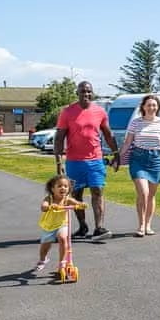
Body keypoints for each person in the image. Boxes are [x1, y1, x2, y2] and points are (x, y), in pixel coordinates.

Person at [54, 81, 120, 241]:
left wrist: (116, 153)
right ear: (77, 93)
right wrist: (58, 162)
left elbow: (108, 134)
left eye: (89, 91)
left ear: (93, 93)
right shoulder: (67, 112)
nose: (86, 94)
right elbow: (59, 137)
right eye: (83, 91)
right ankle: (82, 226)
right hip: (74, 161)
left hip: (95, 160)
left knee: (97, 191)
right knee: (76, 194)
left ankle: (99, 228)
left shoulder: (100, 112)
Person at [116, 94, 160, 237]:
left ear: (158, 107)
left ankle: (148, 225)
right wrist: (118, 157)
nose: (151, 107)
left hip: (155, 160)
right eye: (149, 105)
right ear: (143, 107)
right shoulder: (136, 122)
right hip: (138, 159)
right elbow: (128, 142)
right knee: (143, 193)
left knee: (151, 195)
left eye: (154, 105)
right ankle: (140, 225)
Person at [35, 174, 87, 272]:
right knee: (45, 246)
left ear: (68, 189)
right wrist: (50, 206)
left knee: (63, 239)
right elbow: (43, 206)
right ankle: (43, 260)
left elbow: (77, 203)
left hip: (62, 224)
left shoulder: (67, 199)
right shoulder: (49, 199)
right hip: (49, 226)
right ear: (52, 189)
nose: (63, 188)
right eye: (59, 186)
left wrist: (81, 205)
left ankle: (62, 262)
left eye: (65, 186)